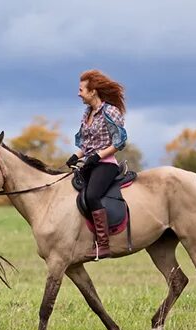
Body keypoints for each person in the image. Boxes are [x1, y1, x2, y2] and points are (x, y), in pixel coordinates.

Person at [66, 69, 128, 261]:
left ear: (93, 91)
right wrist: (75, 156)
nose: (78, 93)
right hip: (90, 163)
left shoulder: (110, 112)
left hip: (106, 164)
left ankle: (103, 244)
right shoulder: (87, 113)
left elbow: (119, 142)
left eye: (81, 89)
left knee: (92, 195)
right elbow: (86, 145)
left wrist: (98, 156)